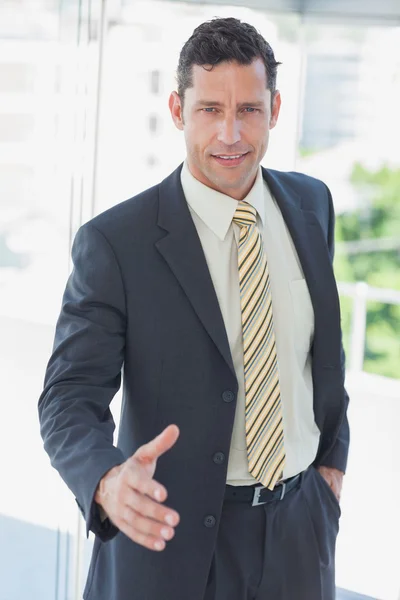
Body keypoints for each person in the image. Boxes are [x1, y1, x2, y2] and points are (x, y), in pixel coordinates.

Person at [38, 16, 350, 600]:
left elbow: (322, 354)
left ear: (275, 108)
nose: (230, 134)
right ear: (179, 110)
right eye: (210, 109)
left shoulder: (312, 205)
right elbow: (67, 397)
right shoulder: (117, 243)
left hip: (300, 536)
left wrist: (330, 474)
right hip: (170, 544)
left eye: (249, 110)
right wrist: (105, 478)